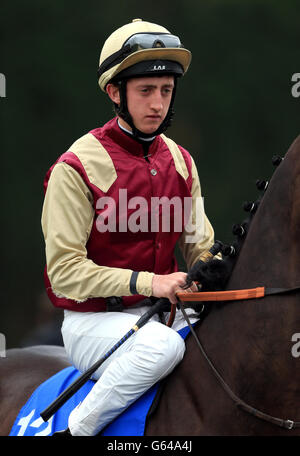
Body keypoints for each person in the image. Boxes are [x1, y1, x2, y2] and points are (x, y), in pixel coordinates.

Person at [41, 18, 218, 436]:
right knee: (163, 346)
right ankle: (76, 431)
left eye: (166, 91)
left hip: (166, 315)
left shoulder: (182, 162)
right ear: (115, 92)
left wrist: (212, 267)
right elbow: (63, 274)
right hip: (92, 324)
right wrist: (150, 283)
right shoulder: (75, 167)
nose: (157, 104)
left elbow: (199, 248)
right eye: (145, 91)